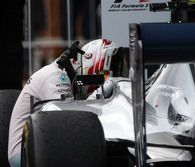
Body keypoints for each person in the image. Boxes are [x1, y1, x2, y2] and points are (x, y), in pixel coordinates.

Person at [8, 38, 124, 167]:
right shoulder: (55, 76)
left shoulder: (63, 74)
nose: (105, 80)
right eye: (105, 75)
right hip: (24, 155)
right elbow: (69, 119)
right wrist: (101, 91)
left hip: (39, 147)